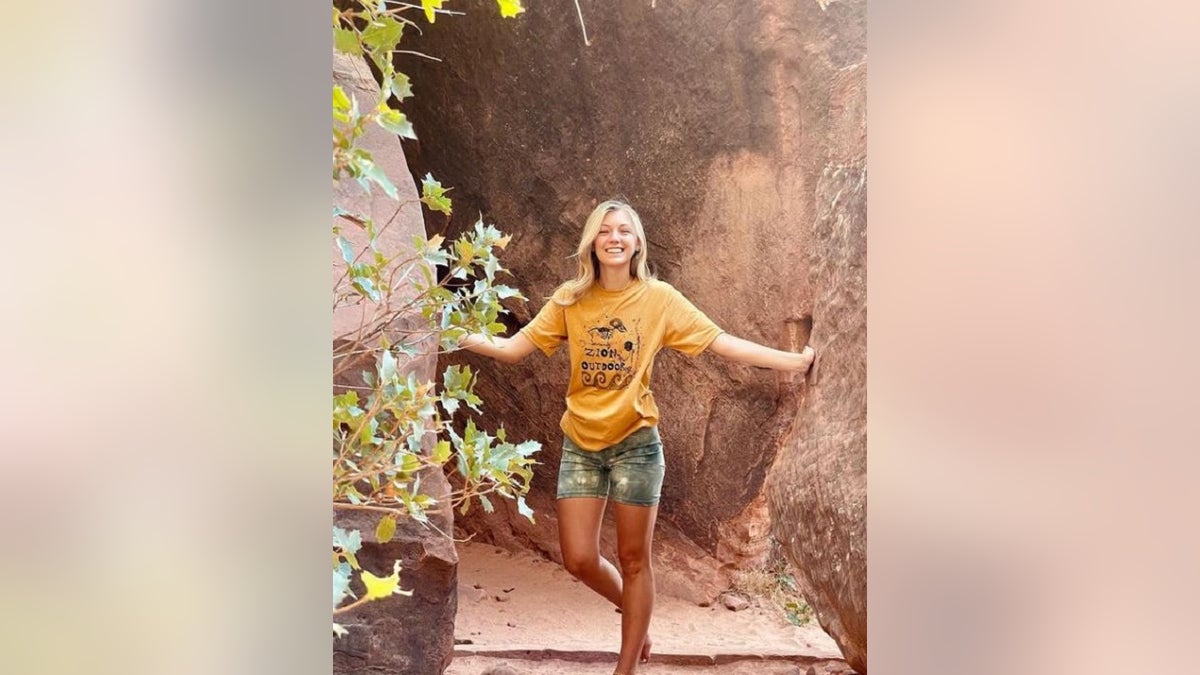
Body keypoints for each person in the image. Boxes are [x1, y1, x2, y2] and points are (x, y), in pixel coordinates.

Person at [458, 199, 816, 675]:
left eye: (623, 230)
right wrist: (448, 330)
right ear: (592, 242)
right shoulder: (570, 299)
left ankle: (625, 667)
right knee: (580, 558)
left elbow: (719, 342)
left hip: (636, 445)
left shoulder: (658, 299)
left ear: (637, 243)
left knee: (633, 559)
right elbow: (510, 349)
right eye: (604, 231)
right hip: (581, 444)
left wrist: (794, 362)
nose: (614, 237)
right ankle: (636, 614)